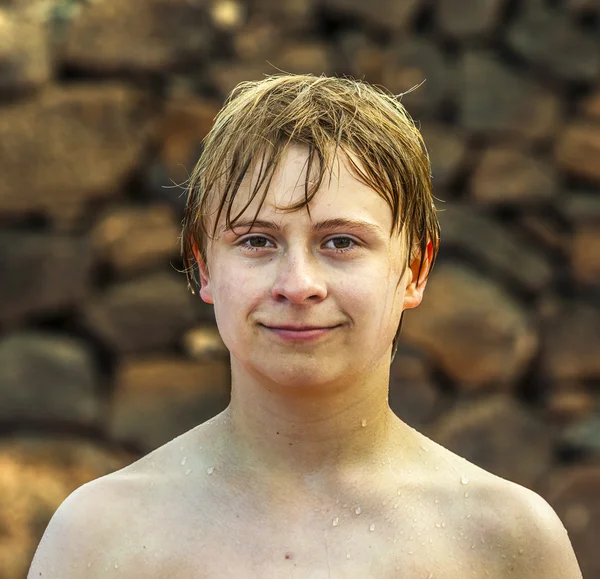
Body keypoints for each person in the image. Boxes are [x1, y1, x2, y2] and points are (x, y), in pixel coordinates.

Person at [28, 74, 582, 578]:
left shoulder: (507, 542)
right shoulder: (101, 538)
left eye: (340, 241)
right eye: (256, 241)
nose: (298, 284)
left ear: (413, 269)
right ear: (204, 267)